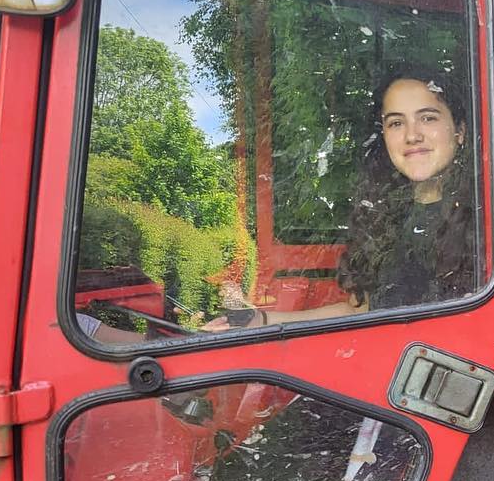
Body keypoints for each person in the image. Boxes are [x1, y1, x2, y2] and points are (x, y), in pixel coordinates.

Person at [203, 64, 475, 332]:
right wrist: (262, 321)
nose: (412, 135)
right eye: (396, 123)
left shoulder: (484, 219)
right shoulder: (387, 217)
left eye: (428, 118)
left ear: (460, 130)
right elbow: (361, 312)